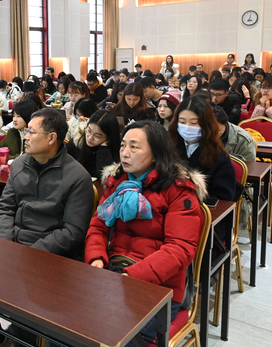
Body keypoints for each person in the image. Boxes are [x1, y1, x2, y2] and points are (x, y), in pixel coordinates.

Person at [84, 120, 204, 347]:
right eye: (122, 145)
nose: (125, 153)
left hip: (159, 288)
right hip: (113, 274)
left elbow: (180, 249)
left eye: (134, 147)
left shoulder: (178, 190)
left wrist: (131, 277)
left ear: (156, 153)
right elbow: (98, 227)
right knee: (65, 325)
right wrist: (96, 259)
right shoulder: (117, 183)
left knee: (114, 338)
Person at [0, 108, 93, 258]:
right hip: (13, 243)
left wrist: (31, 253)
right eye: (27, 131)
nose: (26, 137)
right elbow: (5, 208)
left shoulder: (78, 177)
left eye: (31, 132)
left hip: (49, 253)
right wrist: (5, 243)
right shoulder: (18, 164)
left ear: (52, 138)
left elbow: (72, 231)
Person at [169, 96, 236, 204]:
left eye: (194, 123)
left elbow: (224, 197)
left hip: (202, 209)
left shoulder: (219, 155)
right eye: (182, 122)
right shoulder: (169, 147)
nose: (187, 127)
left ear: (206, 124)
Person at [66, 109, 121, 179]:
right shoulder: (78, 141)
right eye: (89, 131)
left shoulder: (115, 152)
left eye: (97, 136)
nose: (90, 138)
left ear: (109, 137)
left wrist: (104, 149)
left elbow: (105, 178)